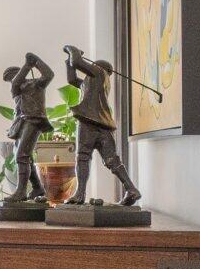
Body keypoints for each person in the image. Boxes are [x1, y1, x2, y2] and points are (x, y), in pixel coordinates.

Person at [59, 46, 143, 208]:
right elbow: (71, 80)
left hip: (89, 122)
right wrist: (68, 62)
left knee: (83, 156)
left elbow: (76, 60)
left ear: (96, 67)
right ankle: (131, 189)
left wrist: (71, 50)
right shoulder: (92, 83)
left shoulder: (98, 73)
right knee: (112, 160)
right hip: (103, 125)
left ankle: (80, 193)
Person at [0, 52, 53, 203]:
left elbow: (49, 74)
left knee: (22, 155)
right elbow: (15, 84)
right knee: (25, 157)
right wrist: (28, 65)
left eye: (12, 77)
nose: (12, 81)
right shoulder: (16, 89)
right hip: (21, 123)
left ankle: (21, 191)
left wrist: (36, 62)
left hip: (34, 121)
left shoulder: (36, 84)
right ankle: (37, 187)